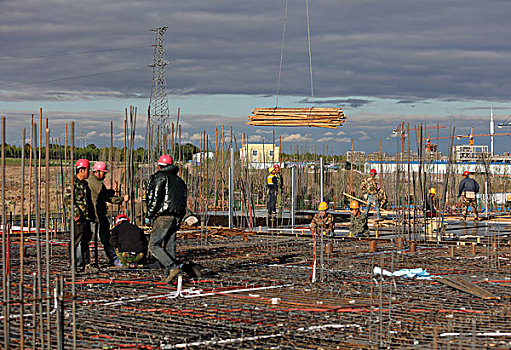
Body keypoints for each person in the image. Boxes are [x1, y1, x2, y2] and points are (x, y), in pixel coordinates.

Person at [146, 154, 188, 283]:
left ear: (159, 166)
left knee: (153, 245)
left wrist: (150, 213)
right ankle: (171, 276)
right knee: (169, 247)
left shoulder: (160, 177)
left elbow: (156, 197)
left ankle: (173, 268)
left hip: (165, 216)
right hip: (177, 217)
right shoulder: (179, 180)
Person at [87, 161, 129, 267]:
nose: (105, 175)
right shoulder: (97, 184)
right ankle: (114, 259)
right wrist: (122, 199)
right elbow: (107, 198)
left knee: (85, 239)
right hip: (98, 216)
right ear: (97, 172)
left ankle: (82, 262)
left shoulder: (88, 181)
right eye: (103, 173)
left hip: (90, 215)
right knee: (105, 238)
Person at [65, 159, 96, 271]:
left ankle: (86, 264)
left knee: (85, 241)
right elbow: (68, 200)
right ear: (81, 170)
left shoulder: (85, 184)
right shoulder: (72, 183)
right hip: (77, 218)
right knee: (75, 241)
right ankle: (73, 265)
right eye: (87, 170)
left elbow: (88, 201)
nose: (89, 172)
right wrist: (76, 214)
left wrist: (92, 216)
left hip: (86, 217)